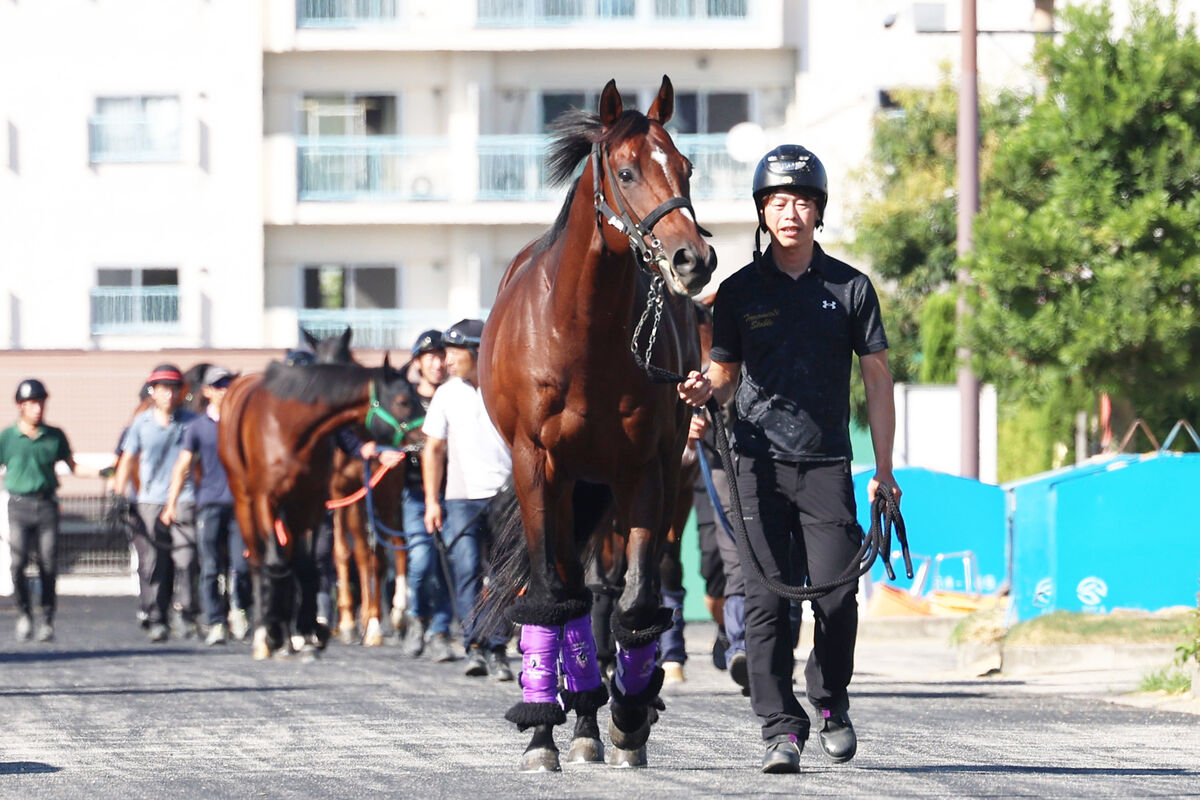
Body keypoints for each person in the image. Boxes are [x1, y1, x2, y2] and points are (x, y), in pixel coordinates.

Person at [678, 144, 901, 774]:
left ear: (819, 211)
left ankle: (830, 702)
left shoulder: (851, 288)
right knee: (766, 600)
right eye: (778, 201)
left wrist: (883, 471)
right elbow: (723, 374)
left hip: (828, 464)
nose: (790, 212)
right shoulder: (740, 292)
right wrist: (704, 388)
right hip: (756, 464)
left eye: (802, 200)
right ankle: (779, 727)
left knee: (836, 595)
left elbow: (877, 379)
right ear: (762, 211)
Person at [422, 318, 513, 680]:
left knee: (505, 576)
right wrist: (432, 501)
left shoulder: (504, 386)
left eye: (453, 352)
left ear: (477, 351)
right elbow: (433, 449)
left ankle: (498, 648)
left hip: (506, 497)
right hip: (460, 499)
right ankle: (475, 644)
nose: (445, 360)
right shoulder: (446, 393)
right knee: (466, 572)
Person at [0, 379, 104, 642]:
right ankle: (24, 613)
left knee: (48, 564)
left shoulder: (54, 435)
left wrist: (104, 473)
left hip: (46, 505)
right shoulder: (7, 438)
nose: (38, 408)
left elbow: (74, 466)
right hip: (19, 506)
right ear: (21, 406)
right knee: (17, 564)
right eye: (33, 403)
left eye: (41, 403)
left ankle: (46, 618)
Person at [161, 366, 251, 645]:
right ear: (207, 391)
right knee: (210, 566)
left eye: (228, 384)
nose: (225, 389)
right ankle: (215, 621)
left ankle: (240, 609)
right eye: (219, 385)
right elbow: (183, 465)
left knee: (241, 565)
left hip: (239, 506)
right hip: (209, 504)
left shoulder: (242, 423)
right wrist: (171, 502)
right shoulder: (197, 427)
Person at [112, 364, 199, 643]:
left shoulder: (191, 422)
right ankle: (156, 615)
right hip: (149, 500)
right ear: (153, 392)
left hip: (184, 497)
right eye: (163, 389)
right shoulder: (141, 424)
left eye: (173, 389)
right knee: (154, 562)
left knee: (186, 558)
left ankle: (185, 613)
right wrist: (119, 492)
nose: (168, 395)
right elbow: (127, 459)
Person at [399, 329, 454, 662]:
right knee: (420, 563)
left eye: (442, 356)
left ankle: (441, 631)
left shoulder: (457, 395)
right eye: (431, 356)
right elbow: (384, 431)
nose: (438, 363)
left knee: (448, 565)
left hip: (453, 494)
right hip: (415, 494)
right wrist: (380, 451)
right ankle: (417, 617)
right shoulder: (402, 400)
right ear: (418, 362)